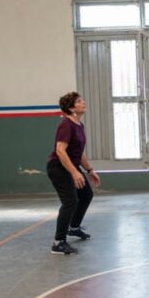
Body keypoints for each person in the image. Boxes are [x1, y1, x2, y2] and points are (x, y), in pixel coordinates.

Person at [47, 92, 101, 255]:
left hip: (71, 166)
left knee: (86, 195)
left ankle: (74, 227)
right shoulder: (66, 124)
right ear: (71, 108)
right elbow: (60, 151)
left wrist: (89, 170)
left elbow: (79, 153)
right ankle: (58, 242)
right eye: (79, 101)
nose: (83, 102)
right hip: (58, 167)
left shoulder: (79, 125)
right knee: (70, 201)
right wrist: (74, 173)